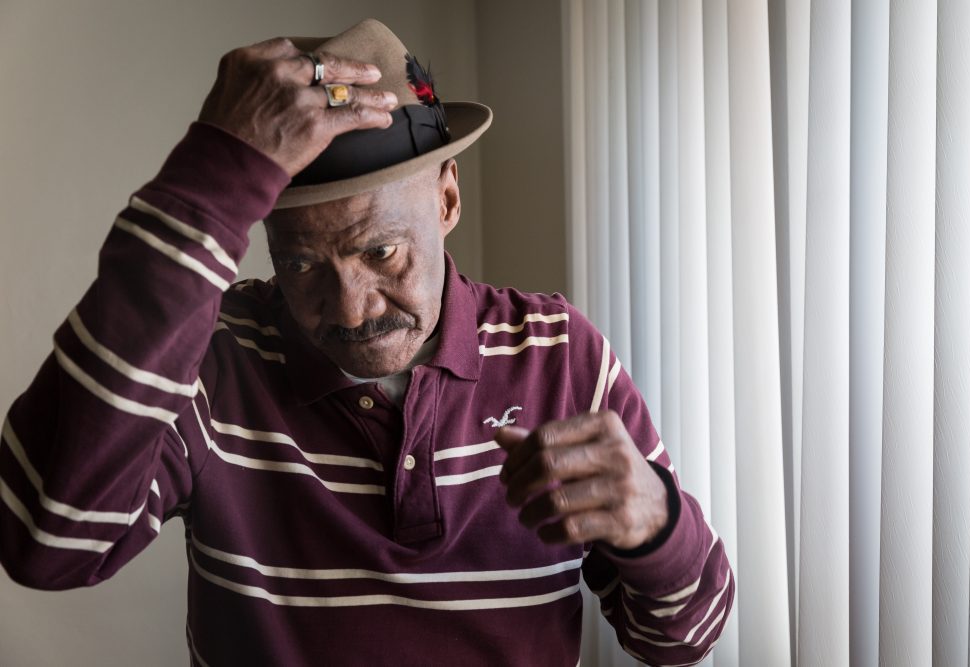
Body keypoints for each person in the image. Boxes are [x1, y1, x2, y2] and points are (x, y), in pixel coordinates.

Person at [0, 19, 732, 666]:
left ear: (446, 199)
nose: (349, 309)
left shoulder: (560, 352)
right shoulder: (214, 362)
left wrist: (657, 525)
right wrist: (210, 177)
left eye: (381, 253)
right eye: (302, 265)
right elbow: (46, 541)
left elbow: (684, 638)